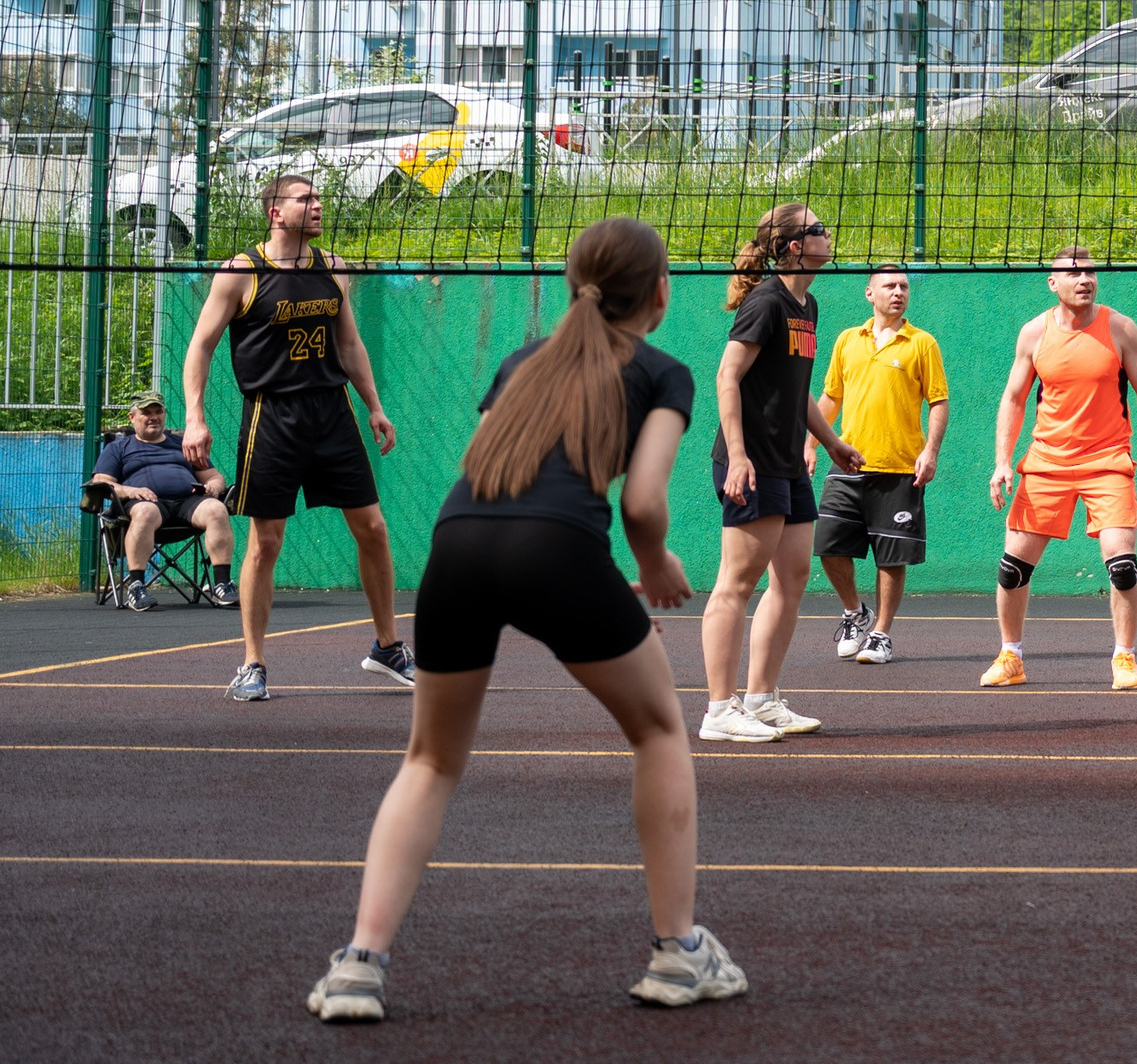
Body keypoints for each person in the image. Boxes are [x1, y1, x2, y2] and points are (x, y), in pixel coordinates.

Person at [305, 217, 748, 1022]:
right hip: (557, 553)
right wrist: (651, 566)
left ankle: (358, 967)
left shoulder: (520, 360)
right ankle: (678, 952)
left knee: (430, 759)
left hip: (459, 546)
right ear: (658, 293)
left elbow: (489, 470)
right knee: (658, 730)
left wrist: (601, 569)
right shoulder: (663, 371)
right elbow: (643, 502)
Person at [179, 173, 408, 704]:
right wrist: (194, 417)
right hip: (271, 416)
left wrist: (374, 406)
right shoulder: (241, 272)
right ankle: (253, 663)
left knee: (373, 528)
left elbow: (348, 343)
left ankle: (388, 648)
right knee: (267, 541)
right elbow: (200, 347)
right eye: (305, 198)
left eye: (318, 197)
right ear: (275, 213)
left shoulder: (332, 268)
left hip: (333, 413)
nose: (317, 204)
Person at [698, 205, 863, 744]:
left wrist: (832, 442)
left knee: (791, 577)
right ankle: (719, 710)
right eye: (818, 228)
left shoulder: (807, 304)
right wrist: (739, 455)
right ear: (794, 247)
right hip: (752, 460)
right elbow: (727, 376)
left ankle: (761, 699)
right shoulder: (767, 302)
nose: (828, 233)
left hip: (789, 461)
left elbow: (800, 390)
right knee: (736, 584)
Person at [983, 246, 1137, 691]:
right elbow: (1013, 397)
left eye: (1089, 272)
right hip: (1047, 462)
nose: (1084, 279)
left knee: (1122, 566)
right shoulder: (1033, 333)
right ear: (1053, 282)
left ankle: (1124, 657)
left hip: (1107, 461)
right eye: (1073, 273)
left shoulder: (1120, 328)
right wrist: (1002, 462)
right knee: (1012, 569)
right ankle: (1012, 656)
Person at [811, 264, 948, 665]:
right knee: (829, 546)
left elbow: (938, 401)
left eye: (904, 286)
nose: (898, 292)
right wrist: (810, 444)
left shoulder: (922, 343)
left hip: (900, 468)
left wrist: (931, 451)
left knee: (891, 557)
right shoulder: (847, 341)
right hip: (848, 465)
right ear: (869, 293)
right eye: (889, 285)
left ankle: (881, 634)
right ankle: (855, 612)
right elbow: (830, 397)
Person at [89, 392, 237, 610]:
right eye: (146, 413)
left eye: (158, 412)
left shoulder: (183, 443)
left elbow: (214, 476)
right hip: (147, 505)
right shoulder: (118, 448)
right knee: (146, 512)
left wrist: (214, 486)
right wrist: (131, 491)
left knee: (216, 509)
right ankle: (137, 587)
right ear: (132, 417)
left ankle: (223, 585)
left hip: (188, 503)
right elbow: (102, 483)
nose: (153, 417)